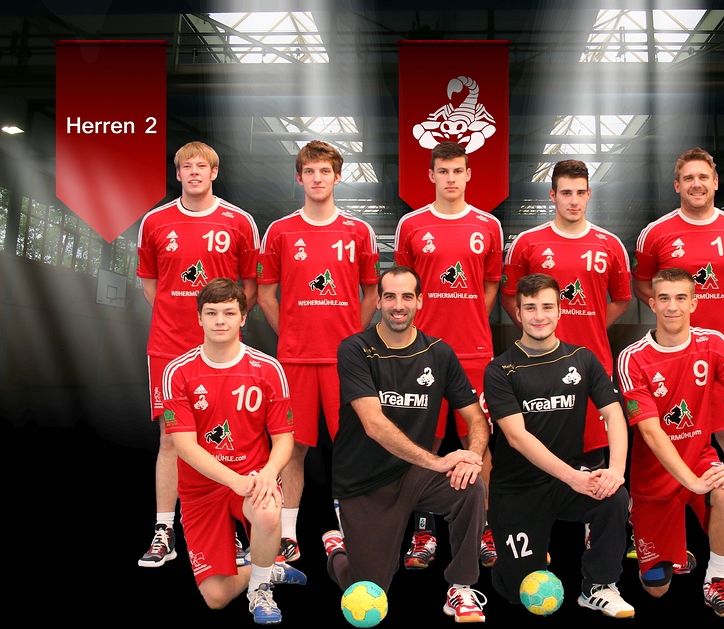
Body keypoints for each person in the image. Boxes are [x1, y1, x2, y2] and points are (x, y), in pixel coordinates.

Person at [323, 266, 491, 622]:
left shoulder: (439, 353)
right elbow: (374, 425)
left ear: (420, 301)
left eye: (406, 297)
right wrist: (438, 461)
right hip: (363, 482)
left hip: (414, 474)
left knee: (470, 487)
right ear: (378, 302)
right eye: (390, 297)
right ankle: (337, 550)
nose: (398, 305)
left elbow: (476, 418)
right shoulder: (355, 349)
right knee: (367, 589)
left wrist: (472, 457)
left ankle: (461, 588)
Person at [632, 147, 724, 562]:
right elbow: (643, 287)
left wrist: (719, 315)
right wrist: (679, 318)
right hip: (672, 358)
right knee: (663, 441)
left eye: (703, 177)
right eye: (688, 178)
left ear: (715, 182)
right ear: (677, 186)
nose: (696, 184)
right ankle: (645, 529)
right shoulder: (655, 233)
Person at [136, 141, 260, 568]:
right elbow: (151, 285)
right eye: (185, 166)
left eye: (201, 166)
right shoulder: (155, 221)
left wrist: (220, 330)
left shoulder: (239, 221)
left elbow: (249, 287)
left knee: (225, 435)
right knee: (172, 438)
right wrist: (181, 320)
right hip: (169, 348)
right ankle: (164, 530)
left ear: (214, 172)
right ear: (177, 174)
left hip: (223, 351)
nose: (193, 172)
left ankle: (228, 528)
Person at [484, 273, 635, 619]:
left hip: (565, 483)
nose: (539, 316)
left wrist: (615, 470)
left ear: (560, 310)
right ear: (518, 313)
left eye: (547, 307)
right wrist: (574, 477)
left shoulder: (583, 359)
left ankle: (599, 586)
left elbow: (614, 414)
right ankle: (521, 555)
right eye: (530, 308)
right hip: (517, 490)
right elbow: (516, 437)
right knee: (518, 592)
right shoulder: (500, 369)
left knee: (614, 497)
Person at [257, 141, 380, 562]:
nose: (317, 178)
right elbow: (265, 294)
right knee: (292, 449)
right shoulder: (280, 231)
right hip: (295, 360)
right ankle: (289, 536)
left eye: (325, 171)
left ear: (337, 177)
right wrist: (290, 334)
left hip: (343, 363)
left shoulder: (358, 231)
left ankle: (353, 532)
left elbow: (371, 293)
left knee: (352, 447)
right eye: (309, 171)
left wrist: (351, 341)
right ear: (299, 178)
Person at [616, 267, 724, 619]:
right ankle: (673, 551)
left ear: (694, 303)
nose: (672, 306)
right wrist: (691, 482)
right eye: (664, 298)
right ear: (652, 303)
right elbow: (651, 432)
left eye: (681, 298)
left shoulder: (714, 343)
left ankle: (716, 580)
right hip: (654, 479)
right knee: (656, 588)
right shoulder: (632, 358)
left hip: (700, 459)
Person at [160, 278, 306, 622]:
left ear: (243, 317)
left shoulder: (268, 369)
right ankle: (267, 568)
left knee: (268, 509)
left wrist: (268, 474)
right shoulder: (177, 372)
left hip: (253, 477)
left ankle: (260, 589)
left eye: (229, 312)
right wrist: (233, 480)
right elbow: (184, 445)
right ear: (199, 318)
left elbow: (284, 438)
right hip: (200, 489)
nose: (220, 320)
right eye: (211, 313)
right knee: (217, 597)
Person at [394, 141, 503, 570]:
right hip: (420, 352)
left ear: (468, 174)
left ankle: (482, 528)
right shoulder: (412, 224)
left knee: (480, 443)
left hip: (474, 352)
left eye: (458, 170)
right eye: (443, 171)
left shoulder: (488, 225)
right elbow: (403, 289)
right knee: (425, 444)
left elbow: (490, 285)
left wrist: (471, 318)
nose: (451, 178)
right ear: (431, 175)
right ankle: (423, 532)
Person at [501, 159, 632, 465]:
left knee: (592, 455)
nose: (574, 201)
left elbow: (622, 300)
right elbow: (509, 298)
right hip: (537, 362)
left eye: (580, 193)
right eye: (566, 193)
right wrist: (537, 331)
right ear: (553, 195)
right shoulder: (527, 243)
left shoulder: (610, 244)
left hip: (592, 361)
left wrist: (594, 325)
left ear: (589, 194)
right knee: (540, 451)